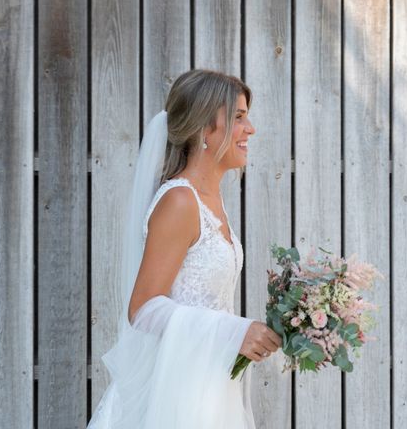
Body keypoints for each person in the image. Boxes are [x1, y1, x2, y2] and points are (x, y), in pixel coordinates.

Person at [87, 69, 281, 428]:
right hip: (175, 393)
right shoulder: (180, 201)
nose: (250, 129)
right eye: (238, 118)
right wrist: (231, 332)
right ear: (205, 130)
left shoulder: (212, 200)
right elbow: (143, 309)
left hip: (209, 383)